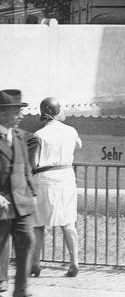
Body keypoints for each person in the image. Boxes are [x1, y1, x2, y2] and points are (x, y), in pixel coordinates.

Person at [27, 98, 81, 278]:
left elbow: (33, 163)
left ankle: (35, 264)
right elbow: (79, 145)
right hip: (66, 177)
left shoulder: (39, 135)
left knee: (38, 224)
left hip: (44, 179)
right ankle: (74, 263)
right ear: (56, 110)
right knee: (68, 222)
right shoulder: (71, 131)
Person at [0, 89, 37, 297]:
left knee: (27, 241)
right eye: (17, 112)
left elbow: (26, 169)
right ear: (2, 115)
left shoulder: (21, 137)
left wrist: (31, 192)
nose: (21, 116)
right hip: (2, 203)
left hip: (21, 202)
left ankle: (21, 291)